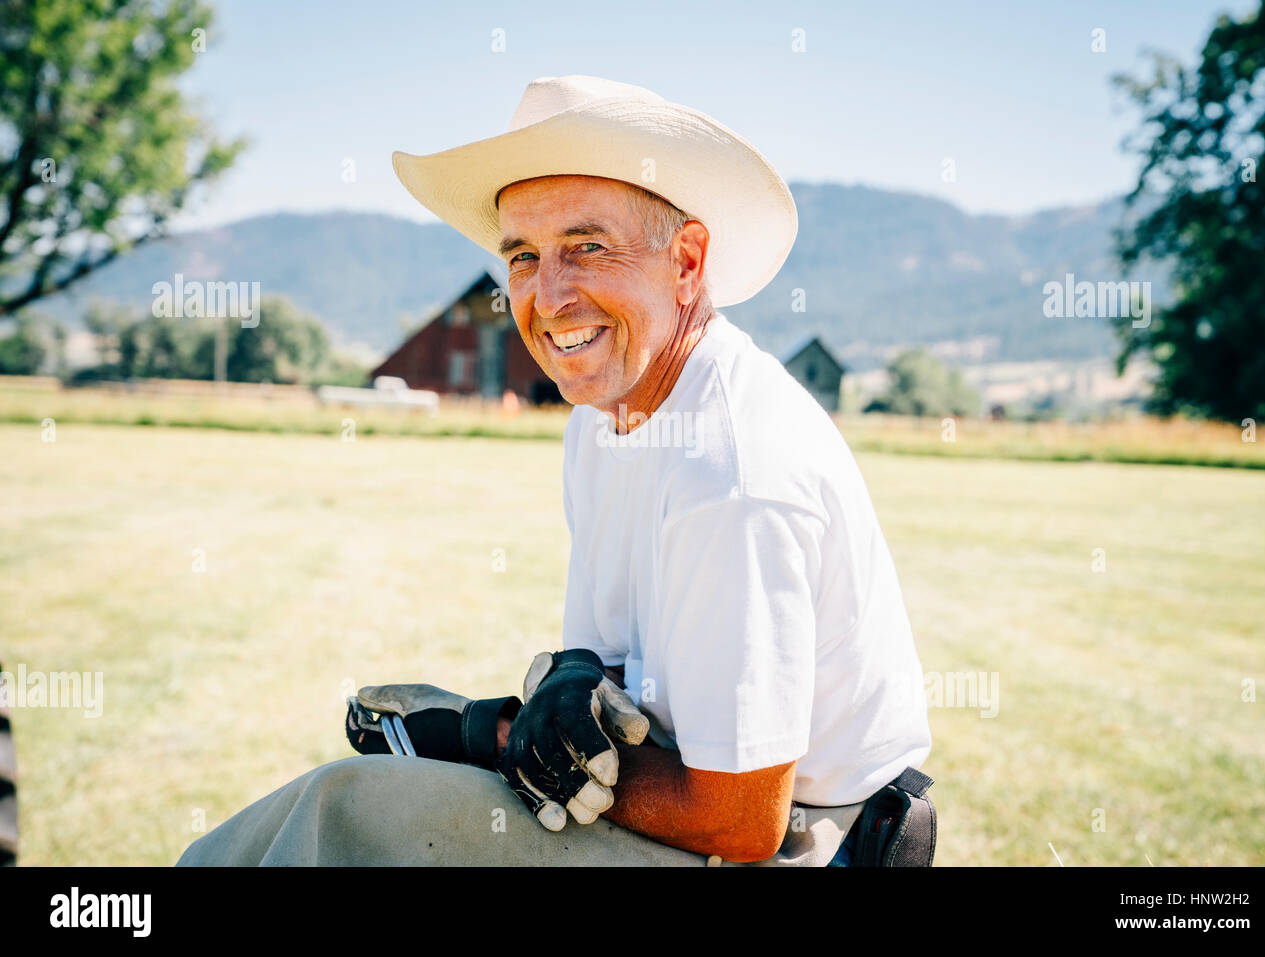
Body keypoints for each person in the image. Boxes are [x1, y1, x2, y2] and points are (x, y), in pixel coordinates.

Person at [177, 74, 933, 867]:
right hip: (696, 804)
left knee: (348, 816)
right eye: (525, 256)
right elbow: (607, 666)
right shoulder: (601, 421)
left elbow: (739, 817)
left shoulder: (732, 471)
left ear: (685, 263)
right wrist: (562, 689)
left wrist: (494, 738)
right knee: (333, 812)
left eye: (586, 247)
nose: (550, 295)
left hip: (800, 847)